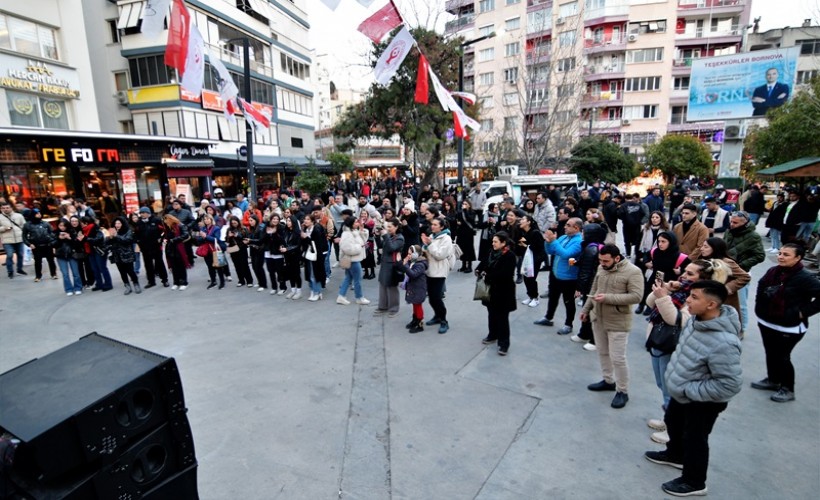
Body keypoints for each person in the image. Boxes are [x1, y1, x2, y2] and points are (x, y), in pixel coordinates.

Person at [644, 280, 742, 497]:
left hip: (701, 401)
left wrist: (691, 391)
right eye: (690, 295)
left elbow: (729, 384)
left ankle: (694, 481)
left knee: (695, 439)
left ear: (711, 305)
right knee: (673, 423)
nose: (687, 300)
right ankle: (675, 455)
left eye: (695, 297)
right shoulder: (695, 321)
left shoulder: (724, 342)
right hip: (683, 392)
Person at [643, 259, 731, 444]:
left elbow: (675, 320)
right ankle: (666, 418)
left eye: (690, 274)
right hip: (658, 340)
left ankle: (671, 429)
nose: (683, 275)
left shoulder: (696, 299)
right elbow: (651, 303)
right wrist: (665, 289)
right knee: (662, 384)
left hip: (673, 345)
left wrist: (663, 297)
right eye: (685, 271)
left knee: (670, 388)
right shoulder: (679, 289)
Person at [752, 243, 820, 402]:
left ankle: (788, 388)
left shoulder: (805, 278)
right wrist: (759, 306)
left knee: (782, 356)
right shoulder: (773, 271)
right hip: (767, 321)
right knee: (771, 353)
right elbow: (761, 288)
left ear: (798, 258)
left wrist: (802, 312)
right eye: (780, 253)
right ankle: (773, 380)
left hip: (789, 327)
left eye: (786, 255)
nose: (780, 257)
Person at [580, 244, 644, 409]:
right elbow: (594, 289)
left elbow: (636, 296)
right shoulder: (601, 268)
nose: (602, 263)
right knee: (602, 352)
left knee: (618, 358)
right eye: (600, 260)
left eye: (606, 260)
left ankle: (622, 390)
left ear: (617, 258)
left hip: (618, 321)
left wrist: (608, 298)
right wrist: (586, 309)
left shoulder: (633, 271)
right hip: (598, 318)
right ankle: (608, 380)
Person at [534, 217, 583, 334]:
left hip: (568, 278)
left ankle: (568, 324)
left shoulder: (578, 242)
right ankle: (548, 317)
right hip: (556, 274)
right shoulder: (563, 237)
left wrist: (554, 241)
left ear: (576, 228)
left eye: (568, 225)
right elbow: (550, 251)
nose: (565, 227)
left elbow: (566, 254)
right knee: (553, 297)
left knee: (568, 301)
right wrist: (548, 242)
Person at [475, 231, 517, 356]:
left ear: (503, 243)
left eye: (495, 242)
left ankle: (504, 344)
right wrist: (479, 269)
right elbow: (483, 263)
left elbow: (505, 274)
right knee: (491, 314)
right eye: (493, 241)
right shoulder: (491, 252)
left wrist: (487, 275)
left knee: (502, 318)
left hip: (503, 292)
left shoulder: (509, 256)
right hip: (490, 291)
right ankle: (492, 335)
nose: (493, 243)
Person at [724, 210, 765, 335]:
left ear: (745, 223)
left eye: (735, 222)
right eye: (731, 221)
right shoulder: (729, 232)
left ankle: (742, 329)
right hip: (725, 271)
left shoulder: (754, 236)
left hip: (741, 274)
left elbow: (760, 256)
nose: (732, 224)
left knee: (741, 304)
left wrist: (741, 266)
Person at [570, 223, 608, 351]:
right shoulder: (593, 247)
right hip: (593, 284)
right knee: (588, 310)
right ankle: (584, 333)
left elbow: (585, 271)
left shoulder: (591, 248)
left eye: (584, 232)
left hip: (593, 285)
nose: (582, 234)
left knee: (592, 312)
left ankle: (594, 339)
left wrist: (579, 288)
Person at [699, 238, 750, 329]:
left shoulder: (726, 262)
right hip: (706, 299)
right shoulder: (704, 261)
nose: (702, 248)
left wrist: (727, 288)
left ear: (715, 248)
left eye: (706, 247)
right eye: (702, 246)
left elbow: (745, 277)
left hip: (723, 302)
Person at [636, 231, 690, 315]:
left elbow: (688, 270)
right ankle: (642, 305)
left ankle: (651, 308)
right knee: (647, 291)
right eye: (659, 241)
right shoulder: (655, 251)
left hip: (669, 280)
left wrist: (680, 271)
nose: (660, 244)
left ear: (671, 242)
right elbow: (646, 256)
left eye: (663, 241)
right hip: (655, 276)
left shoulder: (680, 257)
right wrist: (646, 262)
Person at [421, 217, 454, 333]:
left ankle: (444, 321)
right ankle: (437, 316)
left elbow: (439, 255)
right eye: (432, 224)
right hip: (430, 270)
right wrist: (424, 246)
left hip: (439, 272)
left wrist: (429, 244)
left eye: (435, 225)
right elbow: (427, 252)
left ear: (441, 227)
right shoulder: (432, 237)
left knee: (436, 298)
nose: (432, 226)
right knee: (431, 298)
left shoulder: (446, 239)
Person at [336, 216, 371, 306]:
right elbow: (347, 248)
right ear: (351, 224)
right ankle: (359, 297)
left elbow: (363, 239)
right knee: (357, 279)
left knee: (348, 278)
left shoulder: (353, 232)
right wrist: (359, 247)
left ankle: (341, 296)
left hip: (353, 259)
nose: (358, 223)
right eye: (356, 222)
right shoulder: (347, 234)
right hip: (352, 260)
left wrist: (362, 230)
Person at [374, 218, 405, 316]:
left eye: (390, 227)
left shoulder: (399, 238)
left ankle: (394, 308)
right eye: (387, 227)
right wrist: (377, 236)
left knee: (392, 287)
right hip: (385, 264)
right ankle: (382, 306)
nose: (388, 229)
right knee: (382, 285)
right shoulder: (390, 236)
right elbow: (381, 245)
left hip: (392, 265)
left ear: (396, 227)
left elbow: (392, 248)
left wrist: (385, 235)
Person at [135, 206, 169, 289]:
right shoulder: (139, 223)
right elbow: (136, 234)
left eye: (143, 213)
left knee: (159, 263)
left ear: (148, 213)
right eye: (141, 213)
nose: (142, 215)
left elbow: (163, 231)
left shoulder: (156, 220)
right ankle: (151, 281)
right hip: (145, 248)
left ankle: (165, 280)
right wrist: (139, 243)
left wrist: (160, 239)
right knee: (148, 265)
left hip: (156, 246)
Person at [398, 244, 429, 333]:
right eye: (408, 253)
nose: (408, 255)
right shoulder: (413, 262)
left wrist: (406, 265)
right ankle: (415, 320)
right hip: (414, 288)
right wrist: (402, 262)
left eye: (410, 254)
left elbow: (413, 274)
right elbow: (405, 269)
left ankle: (420, 324)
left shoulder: (420, 265)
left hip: (419, 289)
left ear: (416, 254)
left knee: (418, 305)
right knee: (414, 304)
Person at [518, 214, 547, 308]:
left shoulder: (535, 232)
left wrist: (525, 245)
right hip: (527, 258)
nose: (520, 221)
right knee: (526, 277)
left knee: (531, 278)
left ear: (529, 222)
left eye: (523, 219)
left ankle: (535, 298)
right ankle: (530, 296)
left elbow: (538, 247)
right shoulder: (524, 232)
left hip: (535, 259)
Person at [78, 216, 113, 291]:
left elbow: (98, 239)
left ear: (86, 223)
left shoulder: (95, 228)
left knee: (102, 268)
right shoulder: (84, 230)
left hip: (98, 250)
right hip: (90, 251)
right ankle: (99, 284)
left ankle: (108, 284)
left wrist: (86, 238)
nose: (80, 224)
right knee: (95, 269)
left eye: (81, 223)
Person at [108, 216, 141, 295]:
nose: (117, 225)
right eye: (116, 223)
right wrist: (110, 238)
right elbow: (108, 243)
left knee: (130, 271)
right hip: (117, 255)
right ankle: (127, 286)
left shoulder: (128, 231)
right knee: (122, 272)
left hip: (127, 254)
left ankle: (136, 284)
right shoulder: (113, 231)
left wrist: (116, 236)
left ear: (123, 223)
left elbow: (127, 240)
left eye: (119, 223)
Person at [23, 208, 57, 282]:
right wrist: (29, 244)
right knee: (38, 262)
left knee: (51, 260)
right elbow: (24, 237)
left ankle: (53, 274)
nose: (39, 215)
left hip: (48, 245)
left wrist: (52, 243)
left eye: (40, 213)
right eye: (37, 213)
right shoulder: (27, 225)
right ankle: (38, 276)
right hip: (36, 246)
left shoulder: (45, 223)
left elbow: (52, 234)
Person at [300, 214, 328, 302]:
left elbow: (317, 244)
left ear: (312, 221)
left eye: (308, 219)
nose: (305, 221)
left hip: (316, 256)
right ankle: (313, 291)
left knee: (315, 274)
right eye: (305, 219)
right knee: (309, 274)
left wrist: (306, 237)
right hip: (308, 254)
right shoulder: (305, 229)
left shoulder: (316, 230)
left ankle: (317, 292)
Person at [53, 219, 83, 296]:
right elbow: (52, 244)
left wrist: (69, 238)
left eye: (64, 225)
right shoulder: (55, 233)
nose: (62, 227)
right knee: (65, 274)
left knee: (75, 273)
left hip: (72, 254)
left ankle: (78, 288)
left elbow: (77, 243)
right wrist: (59, 239)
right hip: (60, 255)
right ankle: (68, 289)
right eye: (60, 225)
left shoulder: (72, 231)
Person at [198, 214, 227, 290]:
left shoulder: (216, 228)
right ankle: (213, 281)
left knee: (218, 266)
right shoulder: (203, 228)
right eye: (205, 219)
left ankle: (222, 282)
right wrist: (202, 237)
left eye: (208, 219)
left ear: (211, 220)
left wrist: (206, 236)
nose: (206, 220)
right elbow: (199, 240)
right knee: (210, 267)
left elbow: (216, 239)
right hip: (207, 250)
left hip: (215, 249)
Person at [162, 214, 190, 290]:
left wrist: (174, 240)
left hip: (179, 248)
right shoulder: (167, 228)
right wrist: (164, 239)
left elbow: (186, 235)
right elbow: (166, 236)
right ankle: (176, 282)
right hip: (170, 248)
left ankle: (184, 282)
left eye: (166, 220)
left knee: (181, 266)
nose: (165, 222)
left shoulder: (180, 225)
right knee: (173, 266)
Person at [1, 201, 27, 279]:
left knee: (20, 255)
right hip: (7, 240)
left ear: (11, 208)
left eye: (7, 208)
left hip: (19, 239)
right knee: (9, 255)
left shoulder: (19, 216)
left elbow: (24, 226)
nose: (5, 209)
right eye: (3, 208)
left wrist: (25, 234)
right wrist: (4, 228)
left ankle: (19, 269)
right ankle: (10, 271)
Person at [281, 215, 304, 299]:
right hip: (287, 256)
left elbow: (297, 246)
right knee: (290, 273)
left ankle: (299, 291)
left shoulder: (297, 232)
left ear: (293, 222)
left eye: (289, 221)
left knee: (296, 274)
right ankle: (293, 290)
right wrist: (282, 247)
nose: (288, 222)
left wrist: (286, 249)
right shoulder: (285, 231)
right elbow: (284, 242)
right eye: (287, 221)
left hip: (295, 256)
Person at [455, 200, 477, 273]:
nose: (463, 205)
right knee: (462, 248)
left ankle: (469, 266)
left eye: (465, 204)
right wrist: (458, 222)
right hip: (461, 232)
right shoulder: (460, 212)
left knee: (469, 249)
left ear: (469, 205)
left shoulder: (472, 212)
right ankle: (463, 265)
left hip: (469, 233)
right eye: (463, 204)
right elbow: (457, 220)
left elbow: (471, 220)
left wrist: (465, 211)